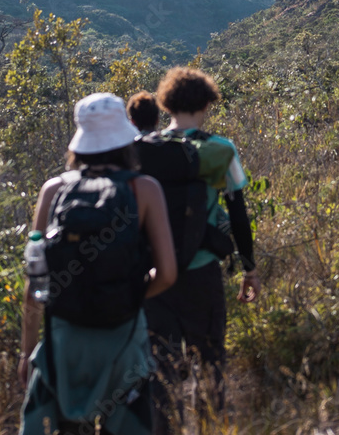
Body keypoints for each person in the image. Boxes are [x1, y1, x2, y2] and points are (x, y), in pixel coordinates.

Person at [18, 93, 177, 435]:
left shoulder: (54, 190)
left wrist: (27, 352)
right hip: (123, 334)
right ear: (125, 139)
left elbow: (35, 283)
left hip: (64, 336)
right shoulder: (144, 189)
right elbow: (167, 273)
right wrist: (128, 292)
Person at [144, 67, 261, 435]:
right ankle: (211, 427)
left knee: (161, 368)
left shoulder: (145, 150)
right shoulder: (219, 150)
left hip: (155, 276)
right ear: (208, 102)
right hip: (202, 271)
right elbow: (238, 213)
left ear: (166, 102)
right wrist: (249, 268)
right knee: (210, 362)